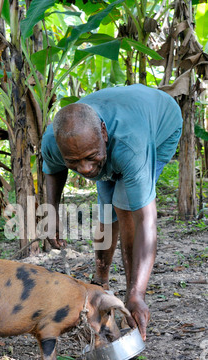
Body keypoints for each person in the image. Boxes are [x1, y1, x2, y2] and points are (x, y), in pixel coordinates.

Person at [41, 84, 182, 340]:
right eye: (74, 161)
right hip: (113, 138)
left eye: (90, 157)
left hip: (162, 122)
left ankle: (131, 295)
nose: (84, 170)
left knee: (125, 205)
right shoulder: (54, 140)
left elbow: (146, 221)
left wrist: (138, 293)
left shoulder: (131, 146)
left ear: (103, 133)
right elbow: (53, 169)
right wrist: (52, 215)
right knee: (106, 209)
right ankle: (101, 282)